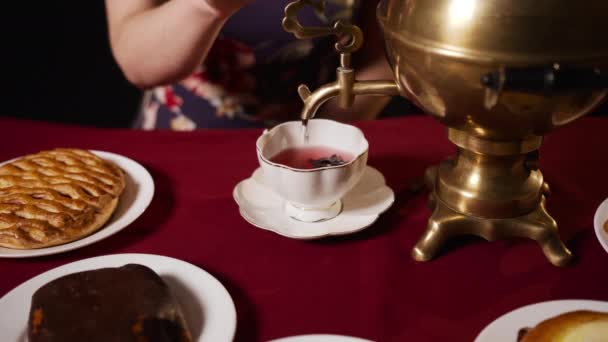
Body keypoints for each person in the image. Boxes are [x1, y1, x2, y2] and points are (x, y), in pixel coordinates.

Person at [105, 0, 395, 130]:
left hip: (315, 135)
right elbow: (137, 62)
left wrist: (325, 135)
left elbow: (382, 54)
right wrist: (207, 5)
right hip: (186, 146)